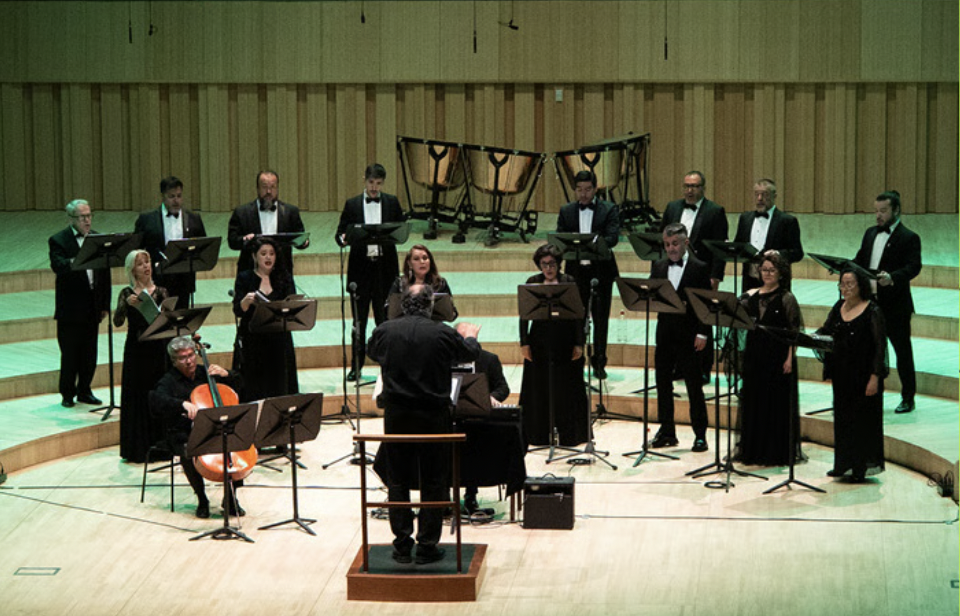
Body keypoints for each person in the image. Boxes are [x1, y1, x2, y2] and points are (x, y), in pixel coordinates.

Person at [367, 285, 481, 565]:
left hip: (397, 416)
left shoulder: (385, 330)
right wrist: (470, 336)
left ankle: (402, 545)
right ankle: (427, 546)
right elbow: (469, 354)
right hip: (433, 417)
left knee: (398, 480)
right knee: (433, 481)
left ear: (403, 304)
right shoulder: (442, 332)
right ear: (430, 305)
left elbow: (372, 352)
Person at [149, 336, 245, 518]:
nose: (189, 361)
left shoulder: (206, 373)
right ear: (174, 361)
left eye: (191, 355)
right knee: (188, 451)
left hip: (215, 429)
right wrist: (181, 404)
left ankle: (230, 497)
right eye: (182, 358)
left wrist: (227, 374)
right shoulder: (168, 381)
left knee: (236, 446)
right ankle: (202, 498)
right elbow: (156, 400)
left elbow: (240, 385)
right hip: (184, 431)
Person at [335, 163, 405, 381]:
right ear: (364, 180)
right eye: (371, 182)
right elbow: (340, 233)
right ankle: (356, 367)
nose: (374, 188)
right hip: (361, 270)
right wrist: (342, 239)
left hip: (384, 270)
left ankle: (388, 367)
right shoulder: (352, 204)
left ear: (383, 183)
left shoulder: (392, 202)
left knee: (385, 321)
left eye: (378, 183)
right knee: (359, 322)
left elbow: (401, 230)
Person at [817, 266, 887, 482]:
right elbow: (826, 330)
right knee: (843, 419)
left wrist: (875, 377)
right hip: (843, 374)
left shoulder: (872, 310)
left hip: (864, 376)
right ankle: (842, 464)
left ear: (860, 286)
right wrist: (814, 337)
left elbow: (880, 347)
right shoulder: (838, 306)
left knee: (862, 422)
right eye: (842, 284)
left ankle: (859, 468)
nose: (845, 288)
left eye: (850, 284)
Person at [853, 190, 921, 414]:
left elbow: (913, 267)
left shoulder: (909, 237)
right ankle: (866, 394)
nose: (878, 215)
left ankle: (908, 397)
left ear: (896, 210)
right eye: (876, 211)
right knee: (867, 350)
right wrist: (844, 268)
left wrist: (892, 278)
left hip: (895, 306)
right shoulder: (870, 233)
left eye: (883, 211)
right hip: (870, 303)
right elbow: (860, 259)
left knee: (902, 352)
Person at [734, 252, 805, 466]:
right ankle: (753, 450)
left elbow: (794, 332)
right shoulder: (751, 296)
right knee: (755, 403)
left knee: (774, 406)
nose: (767, 274)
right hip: (755, 356)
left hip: (777, 359)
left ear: (780, 273)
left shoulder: (787, 298)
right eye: (764, 270)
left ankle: (773, 452)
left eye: (772, 270)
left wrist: (789, 359)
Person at [519, 244, 589, 447]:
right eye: (544, 264)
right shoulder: (532, 282)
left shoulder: (569, 281)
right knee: (538, 387)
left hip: (565, 340)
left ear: (559, 264)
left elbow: (578, 315)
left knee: (567, 387)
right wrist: (524, 343)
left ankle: (570, 435)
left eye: (552, 264)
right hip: (539, 340)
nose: (548, 268)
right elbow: (524, 315)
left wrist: (579, 343)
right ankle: (538, 435)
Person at [650, 223, 711, 452]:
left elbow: (706, 303)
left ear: (685, 243)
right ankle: (667, 431)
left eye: (675, 243)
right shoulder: (658, 266)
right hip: (665, 333)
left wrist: (703, 332)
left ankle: (700, 435)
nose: (671, 249)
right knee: (663, 383)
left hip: (690, 334)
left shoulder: (699, 268)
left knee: (694, 386)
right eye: (667, 244)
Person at [556, 170, 619, 379]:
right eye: (579, 190)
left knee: (601, 319)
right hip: (575, 273)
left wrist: (590, 242)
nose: (583, 194)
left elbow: (612, 238)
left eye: (588, 189)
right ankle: (577, 361)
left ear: (595, 189)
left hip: (601, 272)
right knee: (576, 318)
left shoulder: (609, 209)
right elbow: (560, 237)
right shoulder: (566, 211)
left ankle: (599, 363)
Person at [48, 199, 110, 408]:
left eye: (89, 215)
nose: (87, 220)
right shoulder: (58, 240)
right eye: (82, 217)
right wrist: (79, 259)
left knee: (89, 352)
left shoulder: (98, 239)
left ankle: (85, 390)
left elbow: (105, 275)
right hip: (71, 308)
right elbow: (58, 266)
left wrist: (104, 304)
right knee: (70, 353)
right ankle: (67, 393)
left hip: (93, 305)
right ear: (71, 218)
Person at [113, 249, 169, 463]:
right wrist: (126, 305)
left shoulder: (161, 291)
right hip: (136, 351)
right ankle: (137, 448)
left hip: (157, 348)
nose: (146, 266)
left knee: (158, 392)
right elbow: (117, 321)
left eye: (147, 261)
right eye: (140, 263)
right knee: (137, 395)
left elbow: (168, 320)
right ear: (132, 270)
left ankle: (161, 445)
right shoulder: (127, 293)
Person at [454, 322, 513, 515]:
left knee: (475, 442)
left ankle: (471, 495)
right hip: (452, 420)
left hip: (479, 421)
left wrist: (492, 397)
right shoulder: (445, 359)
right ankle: (444, 497)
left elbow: (503, 388)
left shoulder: (489, 359)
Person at [232, 237, 298, 402]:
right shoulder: (245, 277)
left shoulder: (284, 277)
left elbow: (292, 305)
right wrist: (245, 302)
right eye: (263, 254)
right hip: (253, 338)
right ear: (254, 256)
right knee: (255, 385)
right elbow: (237, 310)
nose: (268, 257)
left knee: (280, 384)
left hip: (278, 337)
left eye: (271, 253)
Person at [134, 176, 207, 310]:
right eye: (171, 196)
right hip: (157, 279)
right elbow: (136, 249)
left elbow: (202, 245)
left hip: (183, 280)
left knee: (181, 317)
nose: (176, 200)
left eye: (179, 196)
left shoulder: (193, 218)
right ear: (162, 197)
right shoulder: (147, 219)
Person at [227, 170, 309, 279]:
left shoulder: (290, 212)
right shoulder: (242, 212)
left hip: (282, 274)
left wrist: (304, 243)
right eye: (264, 187)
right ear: (257, 188)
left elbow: (300, 236)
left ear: (277, 188)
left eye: (273, 187)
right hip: (250, 273)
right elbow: (232, 241)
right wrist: (244, 240)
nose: (269, 191)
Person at [733, 179, 804, 292]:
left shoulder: (787, 221)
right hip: (749, 280)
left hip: (776, 283)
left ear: (774, 196)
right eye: (757, 194)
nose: (759, 198)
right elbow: (739, 245)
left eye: (764, 194)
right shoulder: (745, 218)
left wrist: (778, 254)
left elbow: (797, 253)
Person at [661, 171, 728, 290]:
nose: (689, 190)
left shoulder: (715, 211)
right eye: (686, 186)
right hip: (673, 268)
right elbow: (662, 238)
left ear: (703, 188)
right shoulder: (672, 207)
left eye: (694, 186)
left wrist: (716, 277)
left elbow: (720, 247)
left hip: (701, 272)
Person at [387, 244, 458, 320]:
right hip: (406, 324)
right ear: (409, 263)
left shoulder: (440, 283)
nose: (422, 262)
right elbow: (388, 310)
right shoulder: (399, 283)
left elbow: (452, 313)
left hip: (432, 324)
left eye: (425, 258)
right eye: (416, 259)